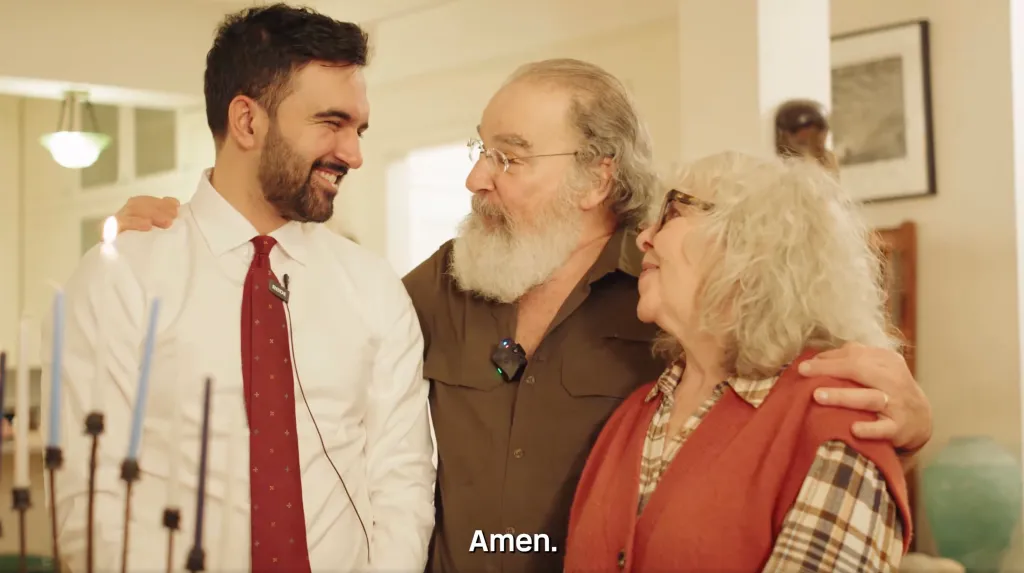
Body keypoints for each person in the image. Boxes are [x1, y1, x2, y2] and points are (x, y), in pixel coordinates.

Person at [113, 58, 933, 573]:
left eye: (508, 156)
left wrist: (914, 417)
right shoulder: (436, 286)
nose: (477, 179)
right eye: (479, 150)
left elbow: (798, 381)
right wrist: (197, 229)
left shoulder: (673, 296)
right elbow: (298, 322)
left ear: (595, 177)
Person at [44, 5, 434, 572]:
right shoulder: (123, 274)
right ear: (248, 122)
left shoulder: (374, 287)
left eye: (359, 128)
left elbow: (402, 481)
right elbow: (87, 490)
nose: (354, 154)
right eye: (332, 123)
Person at [564, 152, 912, 573]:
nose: (643, 238)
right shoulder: (630, 418)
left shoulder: (836, 420)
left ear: (750, 246)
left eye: (671, 212)